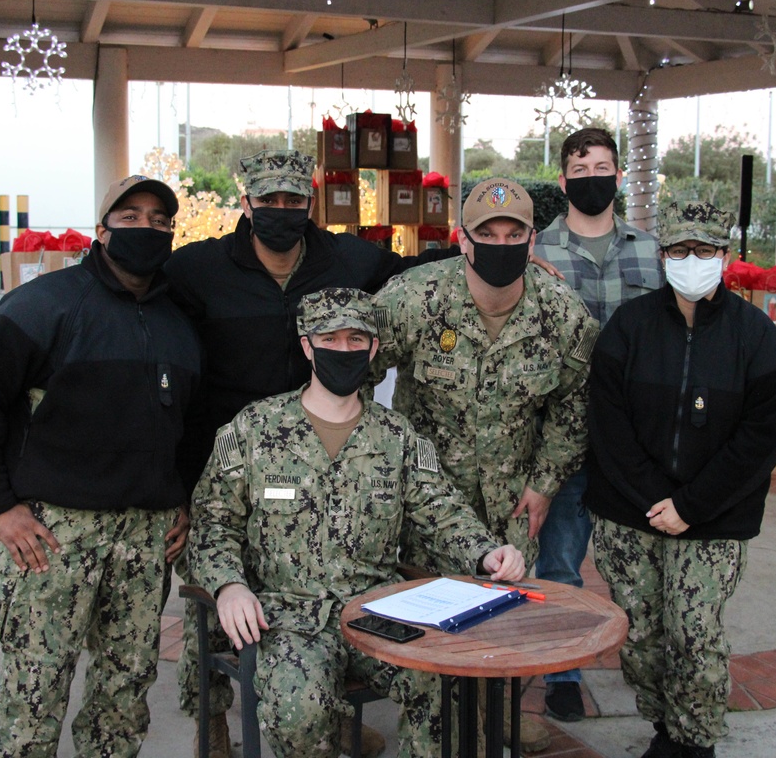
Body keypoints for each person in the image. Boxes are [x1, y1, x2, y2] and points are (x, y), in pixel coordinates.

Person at [164, 148, 463, 757]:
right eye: (267, 201)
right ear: (245, 204)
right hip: (227, 456)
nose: (280, 211)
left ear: (310, 204)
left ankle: (327, 712)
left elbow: (411, 269)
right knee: (217, 594)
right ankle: (212, 724)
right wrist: (173, 487)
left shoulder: (343, 258)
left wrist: (495, 261)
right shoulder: (198, 269)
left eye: (293, 201)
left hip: (329, 436)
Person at [188, 287, 526, 757]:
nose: (342, 350)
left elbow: (443, 511)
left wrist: (487, 551)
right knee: (297, 711)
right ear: (307, 345)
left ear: (372, 349)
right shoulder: (254, 428)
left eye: (355, 340)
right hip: (289, 617)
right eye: (329, 338)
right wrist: (228, 585)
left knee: (445, 688)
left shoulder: (398, 437)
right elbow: (212, 523)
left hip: (377, 610)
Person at [0, 175, 202, 757]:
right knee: (33, 704)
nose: (146, 229)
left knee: (123, 701)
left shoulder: (179, 321)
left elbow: (183, 425)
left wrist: (179, 497)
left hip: (143, 540)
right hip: (52, 537)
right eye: (130, 217)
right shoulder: (45, 304)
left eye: (159, 221)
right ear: (103, 229)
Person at [372, 177, 597, 753]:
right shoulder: (414, 299)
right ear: (462, 241)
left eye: (513, 232)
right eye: (486, 233)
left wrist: (545, 484)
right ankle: (436, 737)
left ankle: (493, 720)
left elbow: (577, 403)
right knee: (430, 641)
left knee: (507, 629)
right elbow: (352, 375)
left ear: (531, 240)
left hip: (511, 510)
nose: (501, 243)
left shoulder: (560, 315)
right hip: (427, 513)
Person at [584, 201, 776, 758]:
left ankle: (695, 739)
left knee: (695, 636)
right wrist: (657, 499)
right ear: (662, 255)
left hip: (714, 518)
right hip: (633, 514)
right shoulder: (630, 327)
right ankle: (664, 728)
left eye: (704, 251)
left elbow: (761, 436)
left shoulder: (756, 336)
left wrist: (691, 505)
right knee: (644, 635)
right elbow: (608, 422)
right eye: (679, 250)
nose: (691, 261)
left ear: (724, 257)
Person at [533, 127, 664, 721]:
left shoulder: (650, 251)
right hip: (563, 435)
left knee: (642, 564)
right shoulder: (538, 251)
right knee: (561, 562)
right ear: (563, 181)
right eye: (581, 169)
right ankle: (563, 674)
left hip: (635, 437)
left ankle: (656, 673)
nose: (593, 177)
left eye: (603, 166)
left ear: (619, 176)